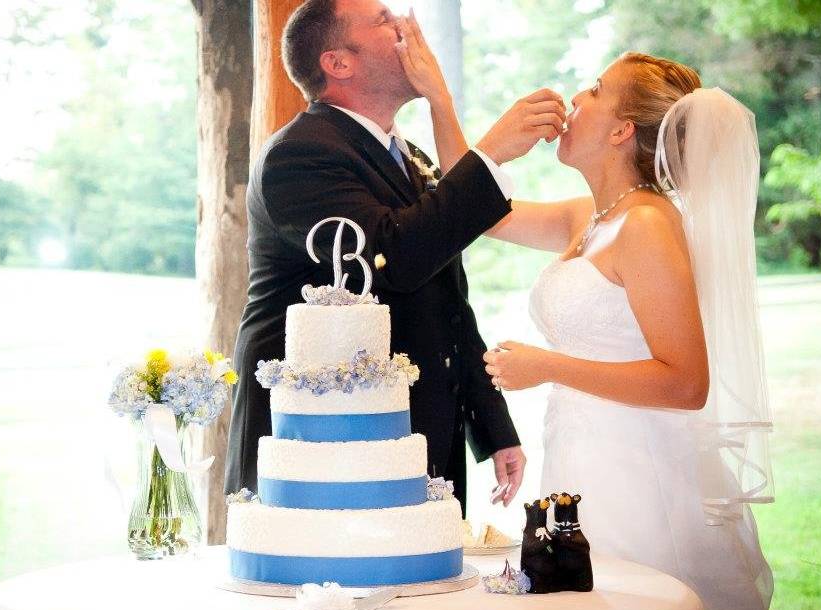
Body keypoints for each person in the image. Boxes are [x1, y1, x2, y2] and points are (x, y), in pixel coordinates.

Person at [474, 52, 778, 610]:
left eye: (593, 90)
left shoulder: (646, 225)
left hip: (642, 474)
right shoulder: (591, 217)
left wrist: (547, 368)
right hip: (581, 458)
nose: (574, 100)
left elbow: (686, 383)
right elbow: (478, 212)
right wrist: (447, 104)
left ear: (621, 131)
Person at [225, 0, 567, 512]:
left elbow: (446, 297)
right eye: (386, 21)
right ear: (338, 63)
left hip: (416, 427)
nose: (409, 28)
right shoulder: (299, 155)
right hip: (329, 440)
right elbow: (392, 257)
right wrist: (489, 153)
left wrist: (491, 422)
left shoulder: (412, 159)